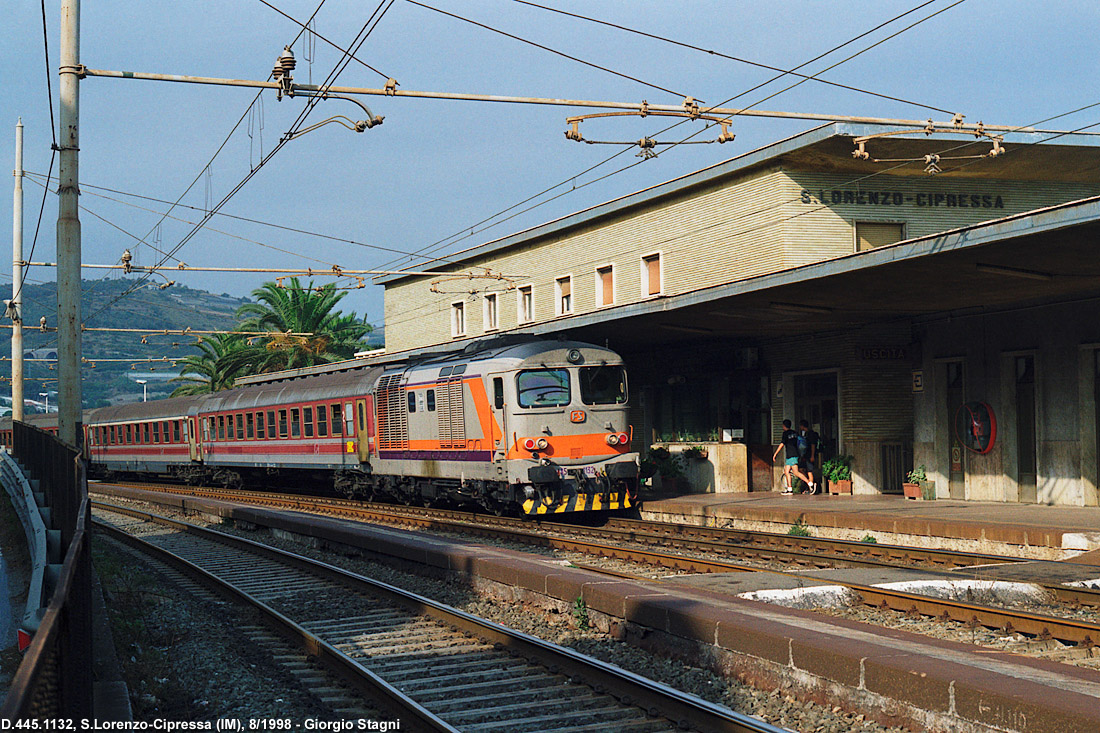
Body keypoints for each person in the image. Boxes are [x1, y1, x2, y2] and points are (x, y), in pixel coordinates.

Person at [772, 419, 813, 494]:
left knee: (796, 472)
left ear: (784, 426)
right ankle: (789, 488)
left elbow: (782, 444)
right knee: (786, 471)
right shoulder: (795, 433)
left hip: (791, 455)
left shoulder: (785, 434)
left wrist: (775, 453)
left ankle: (809, 483)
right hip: (795, 454)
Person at [799, 419, 822, 495]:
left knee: (809, 471)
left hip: (809, 455)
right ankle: (808, 483)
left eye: (800, 426)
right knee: (801, 469)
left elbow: (813, 445)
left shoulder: (810, 434)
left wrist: (812, 455)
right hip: (805, 455)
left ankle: (811, 487)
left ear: (803, 426)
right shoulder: (805, 434)